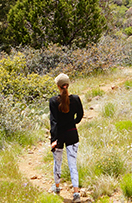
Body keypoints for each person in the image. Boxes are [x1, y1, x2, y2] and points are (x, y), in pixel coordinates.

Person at [50, 73, 84, 201]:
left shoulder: (53, 101)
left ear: (58, 86)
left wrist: (53, 140)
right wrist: (72, 123)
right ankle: (76, 193)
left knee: (57, 162)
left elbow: (53, 121)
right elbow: (80, 116)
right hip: (72, 133)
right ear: (67, 85)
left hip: (59, 135)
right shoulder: (75, 99)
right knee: (72, 164)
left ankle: (57, 187)